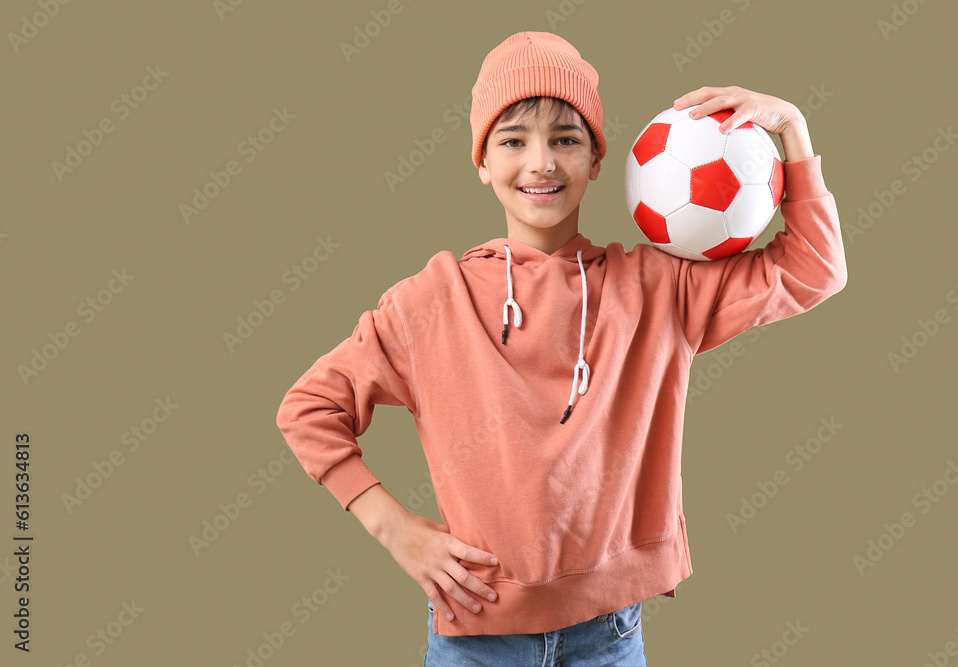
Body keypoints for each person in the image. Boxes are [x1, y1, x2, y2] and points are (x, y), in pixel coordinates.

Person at [276, 30, 847, 665]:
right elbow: (307, 409)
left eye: (566, 139)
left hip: (610, 635)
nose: (542, 162)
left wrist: (792, 130)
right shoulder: (431, 301)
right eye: (513, 141)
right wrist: (395, 529)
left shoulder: (658, 288)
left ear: (600, 160)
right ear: (482, 163)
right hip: (476, 636)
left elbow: (814, 268)